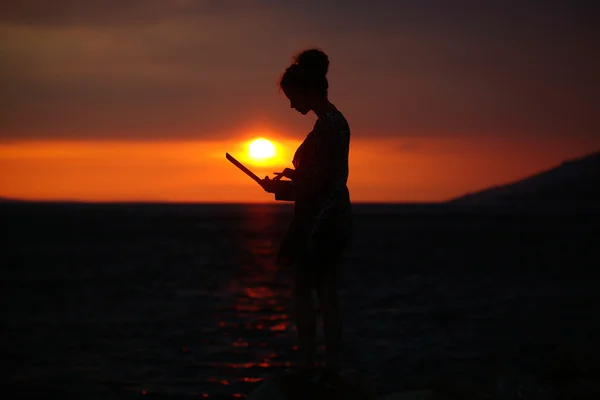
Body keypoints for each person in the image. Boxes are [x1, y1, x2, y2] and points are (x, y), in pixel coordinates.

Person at [261, 48, 353, 386]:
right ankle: (325, 366)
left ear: (307, 89)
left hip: (321, 222)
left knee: (312, 292)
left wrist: (282, 190)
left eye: (292, 97)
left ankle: (312, 366)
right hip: (329, 217)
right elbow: (322, 176)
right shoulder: (332, 123)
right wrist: (291, 179)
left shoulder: (329, 126)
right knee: (323, 292)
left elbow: (321, 181)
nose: (291, 105)